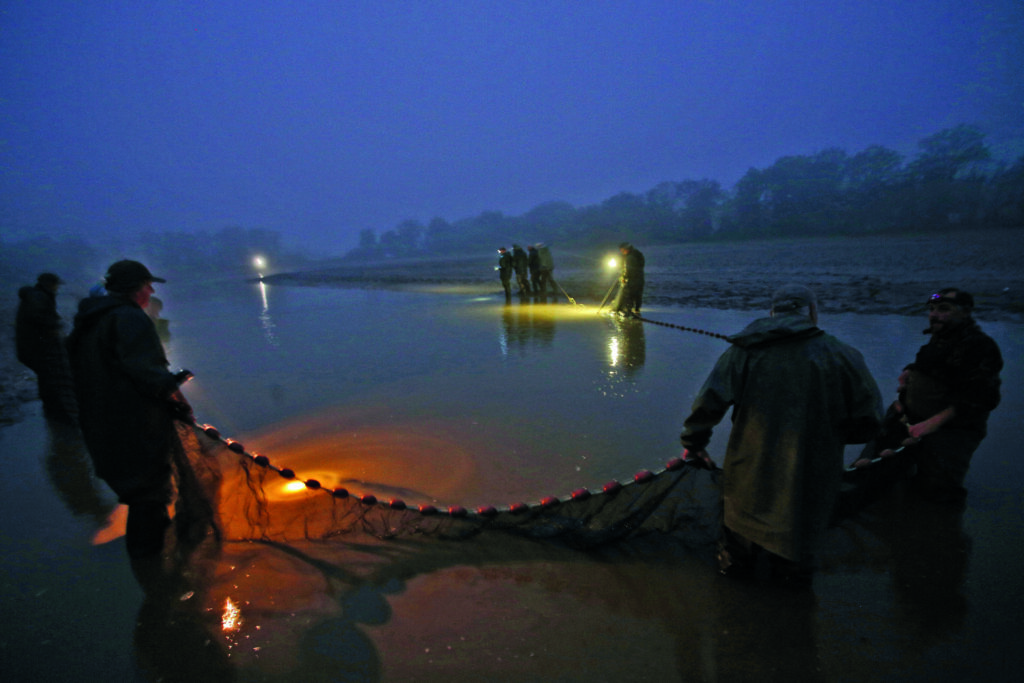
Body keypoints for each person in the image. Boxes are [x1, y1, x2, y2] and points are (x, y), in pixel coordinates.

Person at [680, 284, 883, 584]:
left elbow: (707, 405)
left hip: (748, 474)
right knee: (794, 566)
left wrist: (693, 444)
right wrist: (829, 436)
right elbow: (871, 420)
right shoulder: (843, 355)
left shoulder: (742, 352)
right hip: (810, 481)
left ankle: (736, 610)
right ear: (813, 312)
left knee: (737, 564)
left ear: (772, 312)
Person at [66, 260, 193, 559]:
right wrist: (181, 404)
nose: (151, 291)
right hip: (133, 425)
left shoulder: (89, 319)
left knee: (139, 496)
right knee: (150, 498)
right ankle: (157, 575)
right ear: (135, 289)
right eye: (147, 285)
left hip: (100, 423)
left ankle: (151, 571)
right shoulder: (128, 318)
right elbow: (149, 375)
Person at [851, 288, 1002, 505]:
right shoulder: (941, 337)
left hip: (951, 431)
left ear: (965, 312)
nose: (934, 315)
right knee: (872, 468)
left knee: (938, 494)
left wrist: (932, 424)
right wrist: (910, 371)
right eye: (931, 309)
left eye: (943, 309)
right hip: (910, 421)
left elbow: (984, 397)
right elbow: (935, 366)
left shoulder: (980, 346)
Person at [15, 272, 78, 423]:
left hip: (29, 346)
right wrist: (54, 325)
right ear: (49, 284)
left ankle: (52, 410)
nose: (57, 288)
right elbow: (37, 316)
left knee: (46, 378)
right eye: (56, 284)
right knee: (49, 378)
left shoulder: (36, 296)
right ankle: (56, 413)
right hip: (35, 347)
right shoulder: (38, 297)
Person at [613, 242, 645, 317]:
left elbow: (628, 270)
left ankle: (629, 310)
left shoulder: (630, 257)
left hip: (633, 279)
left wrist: (624, 277)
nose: (621, 252)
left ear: (625, 249)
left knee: (630, 294)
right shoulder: (637, 254)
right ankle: (637, 310)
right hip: (640, 278)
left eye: (622, 250)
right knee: (638, 295)